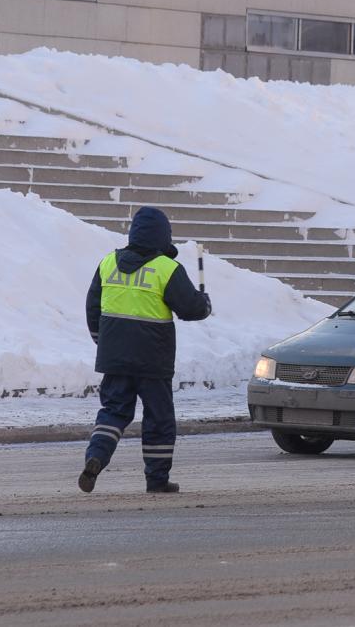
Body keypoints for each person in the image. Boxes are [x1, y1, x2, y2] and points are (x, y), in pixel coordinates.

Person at [79, 206, 212, 494]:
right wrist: (205, 303)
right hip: (153, 360)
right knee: (159, 419)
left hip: (114, 358)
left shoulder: (107, 263)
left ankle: (96, 457)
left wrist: (102, 341)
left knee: (113, 412)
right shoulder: (167, 268)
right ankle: (157, 479)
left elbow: (93, 307)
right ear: (163, 236)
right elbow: (191, 309)